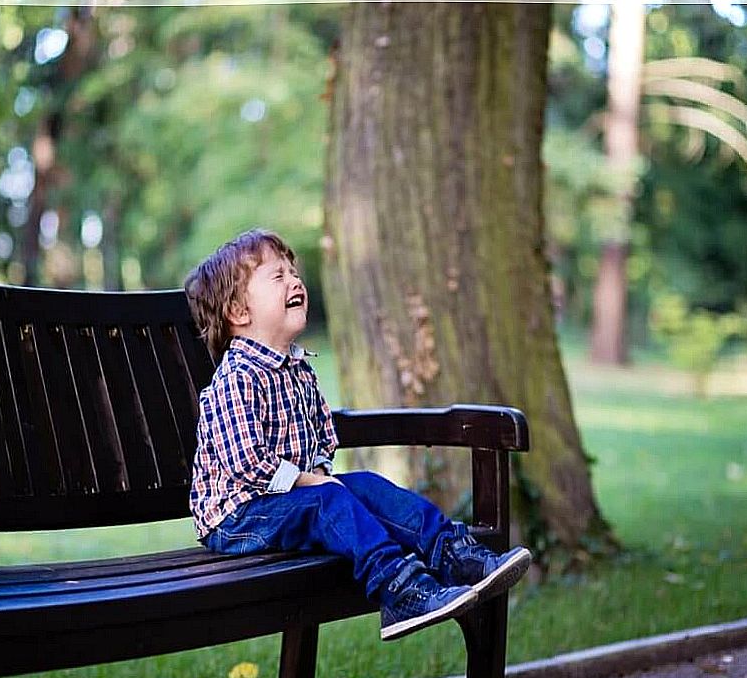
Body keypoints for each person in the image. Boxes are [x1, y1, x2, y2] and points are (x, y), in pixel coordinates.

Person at [184, 227, 531, 641]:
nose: (295, 280)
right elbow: (247, 464)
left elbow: (322, 438)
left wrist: (318, 474)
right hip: (236, 517)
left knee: (363, 484)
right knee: (328, 499)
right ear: (239, 313)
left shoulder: (297, 371)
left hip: (291, 501)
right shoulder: (236, 377)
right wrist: (310, 481)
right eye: (278, 276)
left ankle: (454, 554)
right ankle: (399, 589)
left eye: (293, 271)